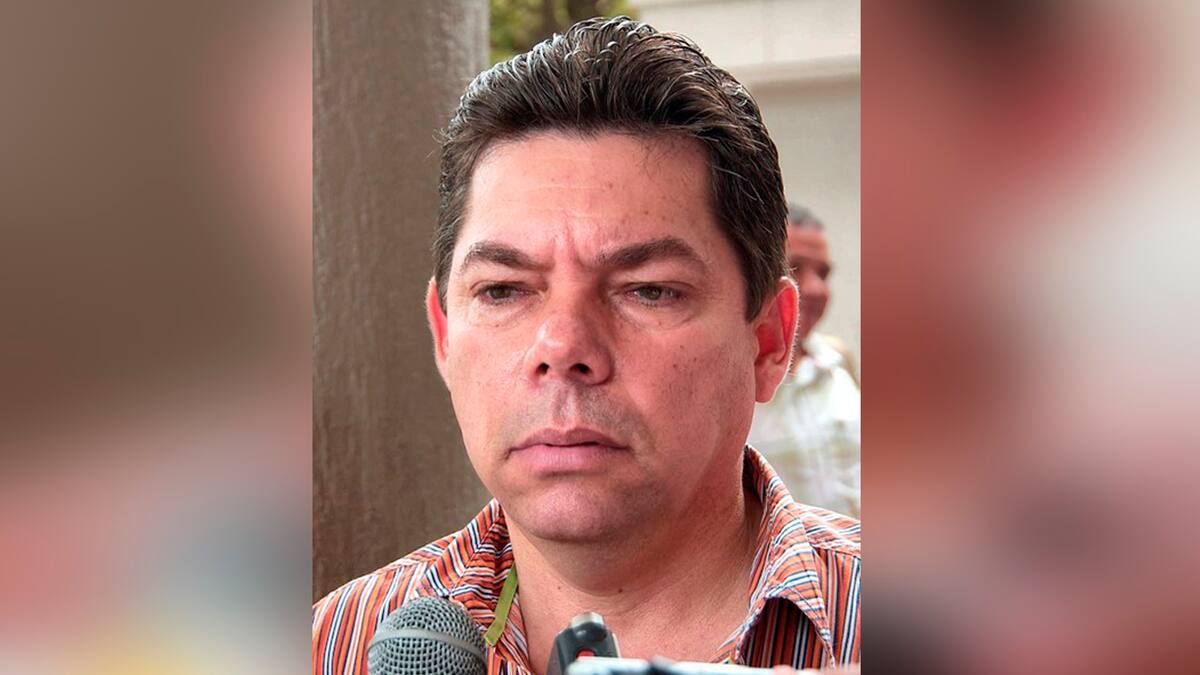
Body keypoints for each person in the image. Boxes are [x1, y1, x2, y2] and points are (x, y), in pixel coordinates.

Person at [313, 17, 860, 674]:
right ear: (444, 334)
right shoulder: (330, 648)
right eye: (503, 290)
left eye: (648, 290)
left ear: (768, 340)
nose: (562, 346)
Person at [747, 205, 861, 518]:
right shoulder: (735, 377)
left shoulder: (837, 360)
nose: (817, 289)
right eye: (795, 268)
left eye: (823, 273)